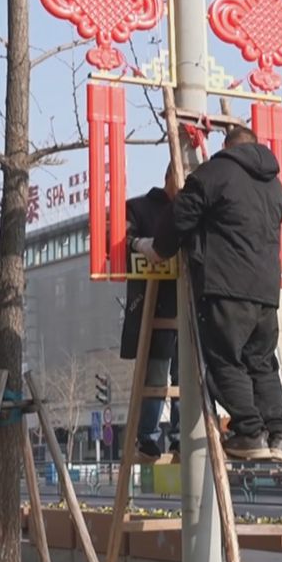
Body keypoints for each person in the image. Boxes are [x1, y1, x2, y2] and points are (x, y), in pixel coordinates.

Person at [134, 126, 282, 462]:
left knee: (224, 359)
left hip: (226, 286)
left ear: (227, 146)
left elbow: (180, 218)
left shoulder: (215, 173)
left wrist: (156, 247)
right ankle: (278, 434)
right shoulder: (275, 187)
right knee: (262, 363)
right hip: (266, 293)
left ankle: (249, 432)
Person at [121, 165, 181, 464]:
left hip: (189, 308)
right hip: (155, 304)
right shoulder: (140, 208)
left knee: (186, 378)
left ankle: (182, 436)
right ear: (168, 176)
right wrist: (139, 245)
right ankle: (148, 438)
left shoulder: (194, 209)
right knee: (156, 376)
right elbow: (124, 238)